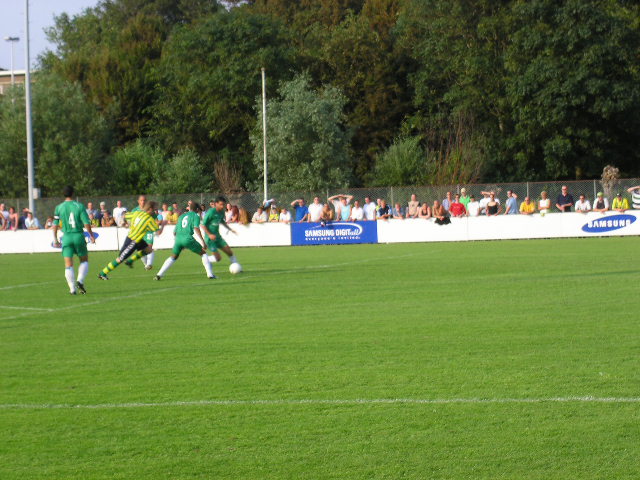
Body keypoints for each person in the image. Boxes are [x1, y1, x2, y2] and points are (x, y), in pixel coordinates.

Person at [98, 201, 159, 280]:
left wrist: (125, 222)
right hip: (133, 241)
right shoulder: (149, 219)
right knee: (120, 259)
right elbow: (158, 231)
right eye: (155, 210)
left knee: (149, 250)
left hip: (137, 239)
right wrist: (163, 224)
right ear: (150, 209)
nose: (156, 212)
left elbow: (124, 214)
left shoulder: (137, 213)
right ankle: (103, 273)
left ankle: (130, 261)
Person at [155, 202, 215, 281]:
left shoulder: (181, 216)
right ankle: (210, 275)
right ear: (197, 209)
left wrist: (180, 243)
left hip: (178, 239)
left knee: (173, 256)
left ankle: (159, 274)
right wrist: (203, 241)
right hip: (187, 239)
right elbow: (196, 228)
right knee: (203, 253)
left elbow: (174, 232)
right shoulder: (195, 216)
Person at [52, 185, 95, 295]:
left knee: (68, 264)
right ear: (73, 193)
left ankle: (72, 288)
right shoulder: (79, 206)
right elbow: (86, 222)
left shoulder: (59, 207)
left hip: (66, 237)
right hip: (78, 236)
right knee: (84, 260)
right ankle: (80, 280)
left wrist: (55, 239)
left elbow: (55, 225)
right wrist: (91, 235)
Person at [202, 196, 240, 267]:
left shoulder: (222, 212)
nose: (222, 206)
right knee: (218, 258)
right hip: (210, 239)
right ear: (216, 204)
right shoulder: (211, 212)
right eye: (221, 204)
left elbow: (222, 221)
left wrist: (230, 229)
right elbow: (203, 225)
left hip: (218, 237)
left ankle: (236, 266)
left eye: (223, 204)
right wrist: (209, 234)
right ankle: (206, 259)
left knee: (229, 251)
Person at [131, 195, 164, 271]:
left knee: (149, 247)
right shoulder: (134, 210)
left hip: (148, 231)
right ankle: (146, 264)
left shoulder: (150, 209)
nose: (143, 202)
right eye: (141, 200)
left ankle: (149, 264)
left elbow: (158, 218)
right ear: (138, 201)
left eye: (144, 200)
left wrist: (160, 220)